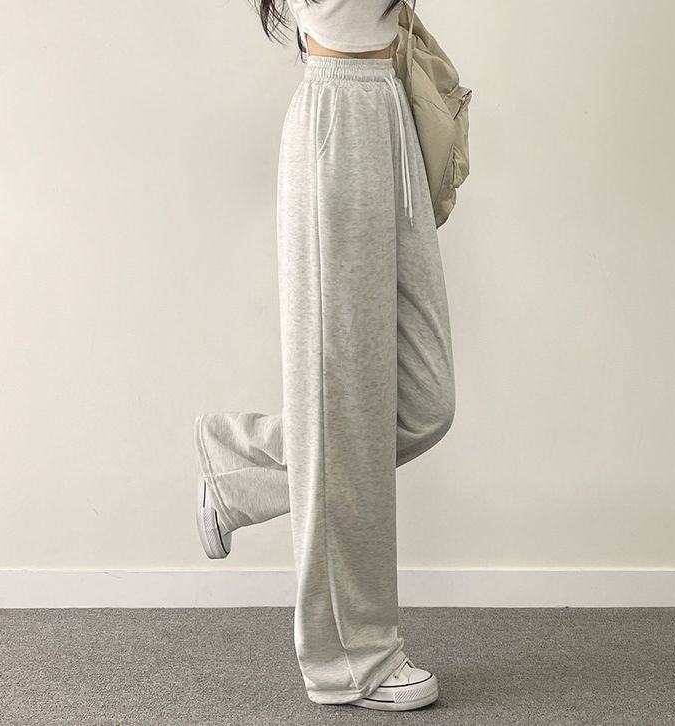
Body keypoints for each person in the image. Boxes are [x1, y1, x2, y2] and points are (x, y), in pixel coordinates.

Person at [193, 0, 455, 712]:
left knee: (426, 401)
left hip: (392, 111)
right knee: (343, 407)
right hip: (335, 118)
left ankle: (239, 468)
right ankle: (349, 660)